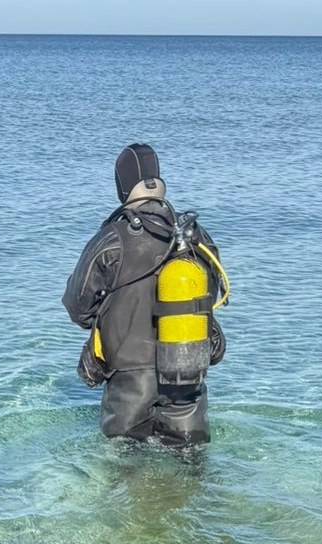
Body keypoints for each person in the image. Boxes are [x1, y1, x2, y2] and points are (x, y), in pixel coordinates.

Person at [62, 143, 229, 447]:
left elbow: (77, 306)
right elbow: (210, 295)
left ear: (122, 187)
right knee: (191, 468)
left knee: (124, 470)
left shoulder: (111, 238)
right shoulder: (193, 235)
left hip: (129, 381)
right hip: (186, 371)